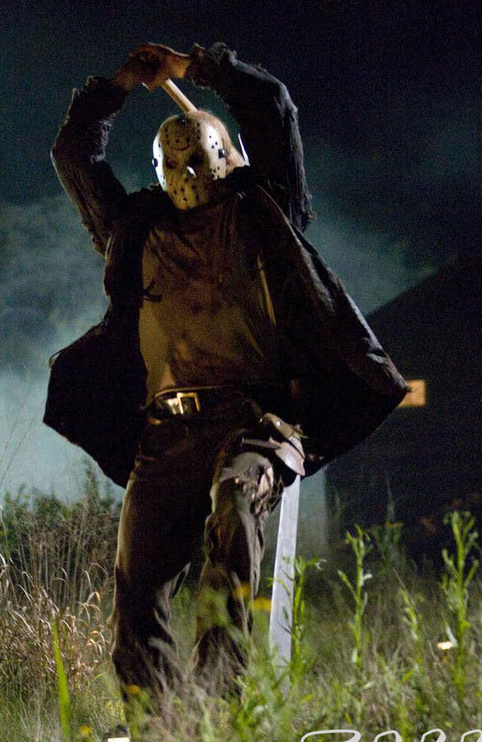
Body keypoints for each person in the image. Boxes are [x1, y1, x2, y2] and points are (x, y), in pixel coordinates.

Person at [46, 42, 408, 706]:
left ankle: (220, 694)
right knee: (138, 586)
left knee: (236, 504)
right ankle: (163, 739)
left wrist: (195, 67)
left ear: (222, 156)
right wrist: (118, 85)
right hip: (166, 434)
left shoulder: (264, 212)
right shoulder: (134, 230)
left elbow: (271, 107)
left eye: (197, 159)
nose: (186, 175)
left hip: (254, 421)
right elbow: (75, 157)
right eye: (173, 165)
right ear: (159, 170)